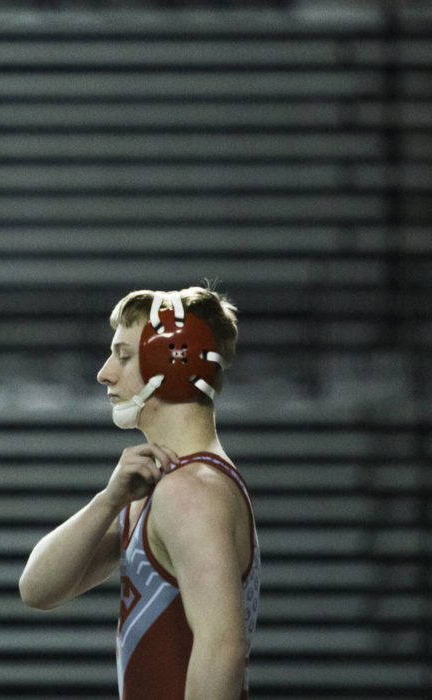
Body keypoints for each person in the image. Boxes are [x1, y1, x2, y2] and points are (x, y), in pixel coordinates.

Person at [19, 286, 260, 700]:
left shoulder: (190, 492)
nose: (105, 373)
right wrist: (108, 501)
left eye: (124, 356)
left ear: (174, 363)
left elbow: (223, 648)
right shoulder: (164, 485)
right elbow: (37, 589)